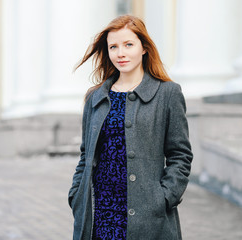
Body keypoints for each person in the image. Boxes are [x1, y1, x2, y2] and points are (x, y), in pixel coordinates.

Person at [68, 15, 193, 240]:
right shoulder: (95, 97)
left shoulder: (167, 94)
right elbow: (86, 154)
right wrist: (77, 194)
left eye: (128, 45)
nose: (120, 53)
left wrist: (164, 198)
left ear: (144, 48)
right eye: (113, 47)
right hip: (100, 211)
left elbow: (180, 155)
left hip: (147, 215)